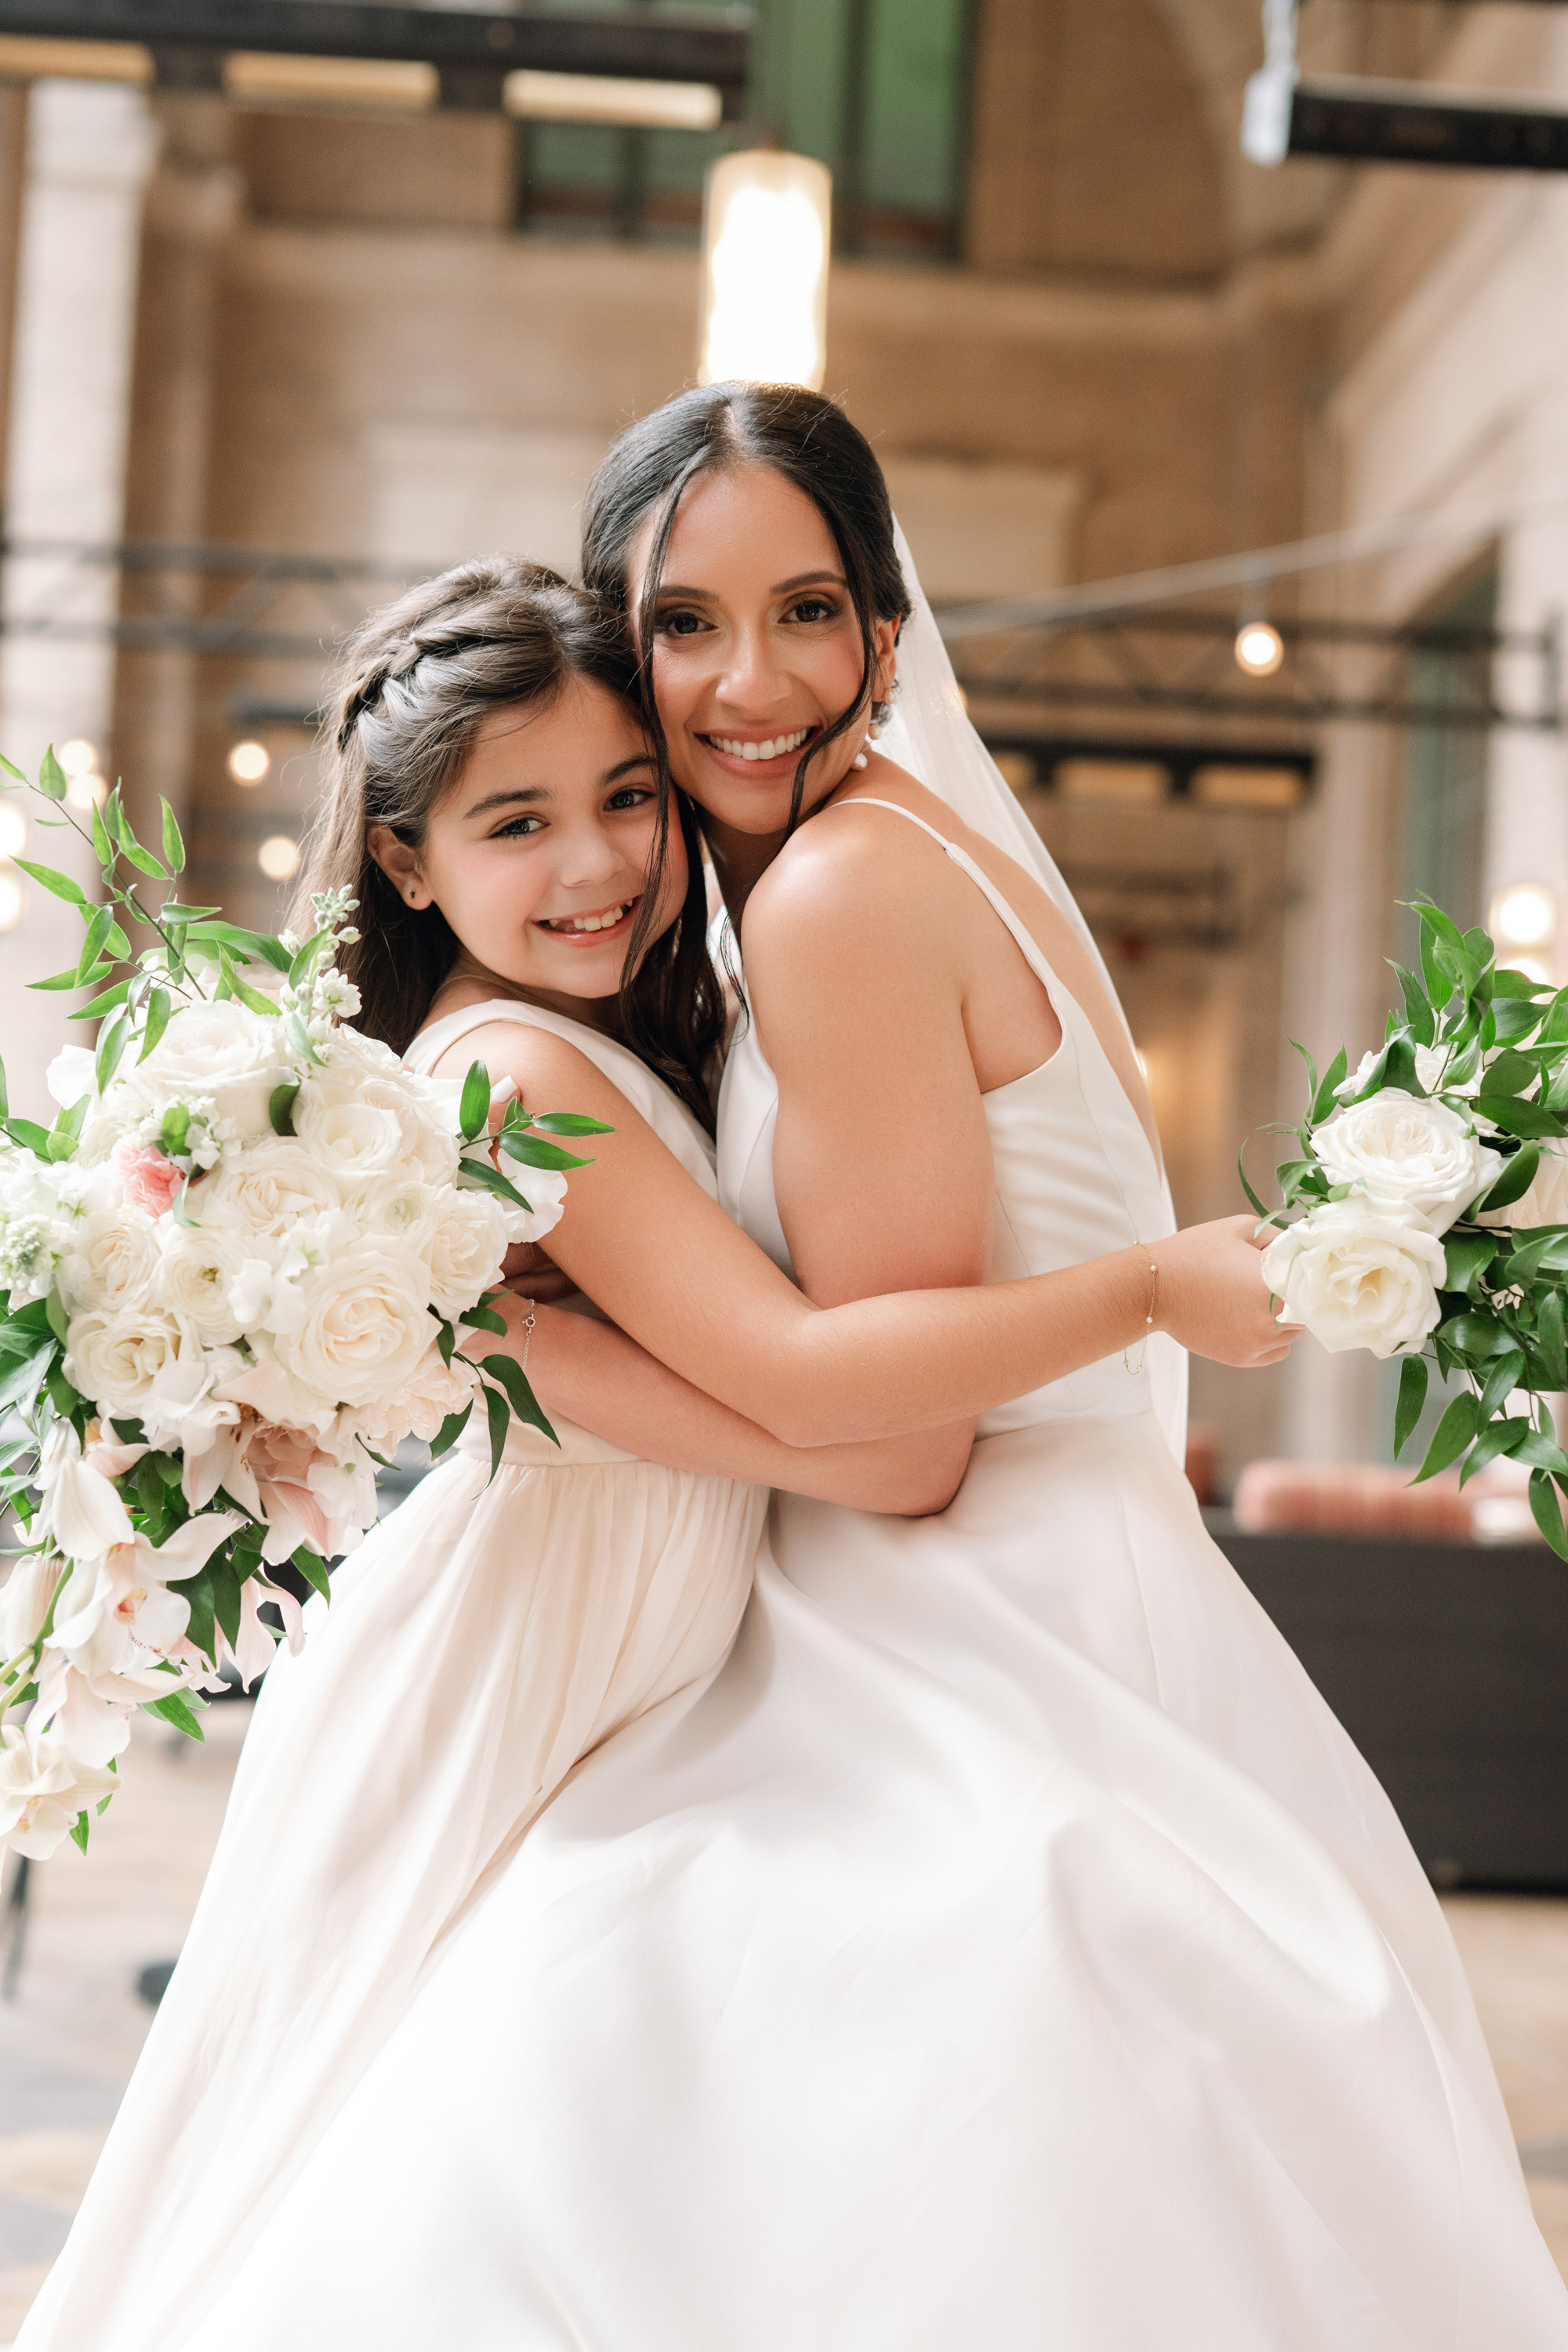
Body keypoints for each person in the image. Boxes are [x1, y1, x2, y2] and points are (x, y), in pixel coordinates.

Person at [125, 390, 1560, 2349]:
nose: (746, 682)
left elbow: (886, 1440)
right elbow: (849, 1406)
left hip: (959, 1593)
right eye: (688, 624)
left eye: (808, 608)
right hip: (889, 1566)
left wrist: (531, 1356)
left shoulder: (823, 896)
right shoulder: (803, 896)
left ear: (889, 627)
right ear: (618, 644)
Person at [17, 546, 1291, 2352]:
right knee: (371, 2170)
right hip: (519, 1654)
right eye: (516, 822)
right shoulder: (517, 1080)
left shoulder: (592, 1038)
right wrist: (1148, 1288)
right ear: (402, 855)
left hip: (589, 1626)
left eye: (628, 795)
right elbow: (843, 1427)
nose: (602, 861)